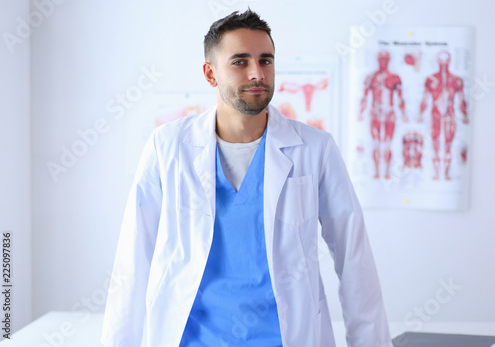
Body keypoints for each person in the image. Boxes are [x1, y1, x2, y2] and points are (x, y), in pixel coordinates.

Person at [101, 9, 391, 347]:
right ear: (211, 74)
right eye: (240, 61)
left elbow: (354, 259)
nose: (257, 73)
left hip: (286, 337)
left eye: (265, 61)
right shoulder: (168, 146)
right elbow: (132, 261)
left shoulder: (315, 149)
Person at [419, 50, 468, 180]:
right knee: (435, 144)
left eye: (445, 63)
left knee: (448, 145)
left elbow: (461, 100)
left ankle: (445, 174)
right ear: (438, 62)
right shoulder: (430, 80)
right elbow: (425, 99)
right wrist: (420, 114)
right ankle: (436, 173)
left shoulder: (456, 80)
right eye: (441, 63)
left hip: (449, 116)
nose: (443, 66)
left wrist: (465, 115)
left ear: (449, 62)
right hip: (435, 116)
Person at [359, 50, 407, 180]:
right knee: (376, 143)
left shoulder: (395, 78)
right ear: (377, 60)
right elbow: (364, 97)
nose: (383, 62)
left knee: (387, 144)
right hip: (375, 113)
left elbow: (400, 98)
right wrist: (360, 112)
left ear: (389, 60)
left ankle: (386, 172)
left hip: (389, 113)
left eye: (385, 59)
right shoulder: (371, 77)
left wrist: (404, 114)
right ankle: (376, 171)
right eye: (381, 59)